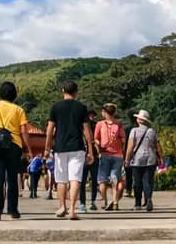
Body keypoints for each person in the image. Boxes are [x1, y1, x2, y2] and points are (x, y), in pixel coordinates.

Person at [0, 80, 35, 221]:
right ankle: (13, 211)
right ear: (14, 95)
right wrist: (28, 149)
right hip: (14, 145)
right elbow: (24, 131)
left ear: (0, 93)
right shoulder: (19, 110)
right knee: (12, 178)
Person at [44, 80, 91, 220]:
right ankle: (72, 210)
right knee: (75, 178)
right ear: (76, 92)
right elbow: (87, 130)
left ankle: (62, 206)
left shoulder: (55, 107)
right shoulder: (82, 107)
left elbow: (50, 130)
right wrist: (91, 149)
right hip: (77, 147)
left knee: (61, 179)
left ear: (63, 91)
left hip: (60, 147)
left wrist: (47, 148)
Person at [126, 109, 160, 212]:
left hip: (137, 159)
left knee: (137, 182)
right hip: (150, 158)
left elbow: (130, 146)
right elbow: (156, 146)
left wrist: (127, 158)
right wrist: (160, 157)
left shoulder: (134, 131)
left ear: (138, 120)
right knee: (148, 181)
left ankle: (137, 203)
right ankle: (148, 198)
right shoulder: (151, 131)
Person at [94, 102, 126, 210]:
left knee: (102, 180)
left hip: (104, 154)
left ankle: (105, 200)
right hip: (118, 154)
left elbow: (96, 139)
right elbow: (123, 139)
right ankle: (115, 201)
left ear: (104, 113)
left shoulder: (99, 124)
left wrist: (99, 147)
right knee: (115, 179)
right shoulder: (119, 124)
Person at [82, 108, 100, 211]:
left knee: (93, 180)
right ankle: (83, 202)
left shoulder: (96, 125)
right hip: (84, 154)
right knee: (83, 180)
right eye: (90, 115)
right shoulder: (81, 126)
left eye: (92, 115)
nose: (91, 117)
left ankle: (92, 201)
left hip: (94, 154)